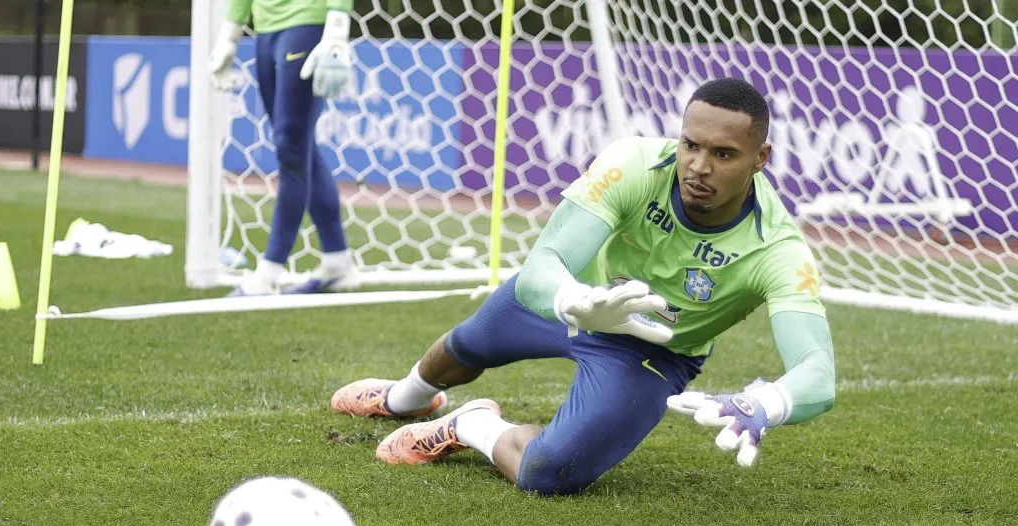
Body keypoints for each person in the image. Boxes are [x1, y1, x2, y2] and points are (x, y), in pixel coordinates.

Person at [330, 78, 836, 495]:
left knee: (548, 473)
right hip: (572, 300)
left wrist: (763, 405)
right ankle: (404, 398)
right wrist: (575, 300)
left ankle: (467, 425)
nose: (699, 166)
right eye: (690, 145)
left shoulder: (778, 249)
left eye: (724, 154)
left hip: (653, 354)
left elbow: (817, 373)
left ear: (760, 158)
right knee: (468, 345)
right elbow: (541, 266)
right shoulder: (634, 165)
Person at [209, 0, 360, 296]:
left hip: (308, 22)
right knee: (299, 147)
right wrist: (229, 34)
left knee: (291, 148)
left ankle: (269, 273)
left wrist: (336, 29)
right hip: (264, 28)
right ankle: (338, 262)